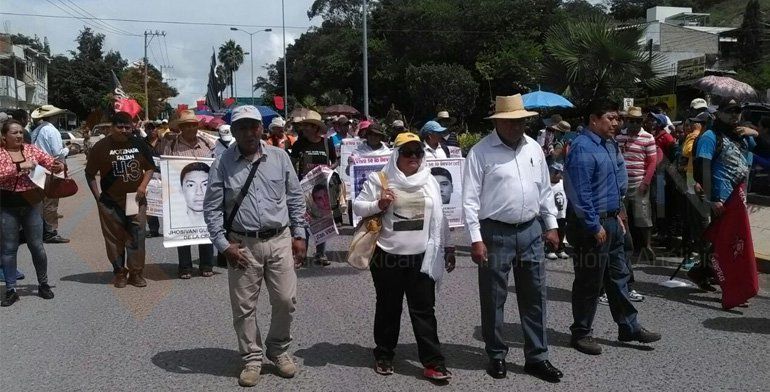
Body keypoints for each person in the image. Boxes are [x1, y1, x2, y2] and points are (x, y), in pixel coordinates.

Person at [203, 105, 307, 387]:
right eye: (242, 128)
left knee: (286, 299)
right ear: (233, 131)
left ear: (262, 128)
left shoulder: (280, 157)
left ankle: (279, 349)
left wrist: (300, 235)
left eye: (253, 126)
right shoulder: (222, 163)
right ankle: (251, 358)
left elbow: (295, 197)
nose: (248, 132)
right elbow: (212, 209)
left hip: (279, 239)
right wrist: (224, 245)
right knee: (244, 307)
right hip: (242, 244)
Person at [462, 94, 563, 383]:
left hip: (531, 229)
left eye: (522, 121)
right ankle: (496, 354)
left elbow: (544, 190)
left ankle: (537, 356)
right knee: (494, 297)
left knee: (535, 295)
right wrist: (475, 238)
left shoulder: (533, 147)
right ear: (498, 122)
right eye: (511, 121)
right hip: (495, 232)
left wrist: (551, 224)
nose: (518, 126)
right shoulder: (480, 152)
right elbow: (469, 200)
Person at [354, 132, 455, 382]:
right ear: (396, 154)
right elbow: (357, 207)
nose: (413, 157)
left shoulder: (429, 181)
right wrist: (379, 204)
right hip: (387, 256)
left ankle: (433, 362)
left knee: (424, 311)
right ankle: (385, 355)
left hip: (422, 256)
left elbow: (440, 219)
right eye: (407, 152)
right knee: (388, 307)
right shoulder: (380, 179)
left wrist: (448, 247)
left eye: (418, 152)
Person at [563, 99, 661, 357]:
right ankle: (581, 332)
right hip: (591, 224)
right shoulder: (582, 148)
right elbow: (578, 192)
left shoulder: (609, 144)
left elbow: (617, 182)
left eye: (618, 118)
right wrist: (594, 225)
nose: (616, 122)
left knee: (619, 276)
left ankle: (629, 326)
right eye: (611, 118)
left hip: (613, 220)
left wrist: (619, 213)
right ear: (594, 119)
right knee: (589, 282)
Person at [691, 98, 756, 291]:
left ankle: (704, 271)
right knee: (725, 241)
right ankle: (726, 281)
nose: (734, 115)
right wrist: (713, 198)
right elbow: (702, 169)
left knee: (729, 240)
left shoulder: (741, 135)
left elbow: (757, 146)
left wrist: (753, 131)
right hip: (720, 198)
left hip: (739, 197)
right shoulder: (710, 137)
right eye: (729, 111)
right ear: (718, 113)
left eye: (737, 111)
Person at [85, 111, 155, 288]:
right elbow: (90, 174)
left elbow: (150, 168)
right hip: (110, 201)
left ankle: (136, 273)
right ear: (111, 127)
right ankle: (119, 273)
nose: (124, 130)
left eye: (127, 127)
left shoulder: (139, 143)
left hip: (134, 199)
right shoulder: (100, 147)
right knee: (114, 239)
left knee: (136, 236)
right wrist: (98, 197)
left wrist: (142, 186)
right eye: (120, 127)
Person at [0, 119, 66, 306]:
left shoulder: (31, 149)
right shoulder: (1, 153)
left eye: (21, 132)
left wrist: (57, 165)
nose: (19, 135)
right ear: (4, 136)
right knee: (9, 249)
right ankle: (11, 289)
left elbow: (49, 161)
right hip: (7, 205)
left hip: (32, 203)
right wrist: (21, 166)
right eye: (14, 133)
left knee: (37, 246)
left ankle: (43, 284)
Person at [163, 109, 216, 279]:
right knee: (182, 229)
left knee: (206, 229)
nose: (190, 129)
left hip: (207, 194)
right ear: (180, 128)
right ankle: (185, 267)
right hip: (181, 195)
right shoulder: (171, 146)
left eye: (193, 125)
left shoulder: (207, 144)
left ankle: (206, 264)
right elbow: (166, 170)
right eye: (186, 126)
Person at [289, 110, 338, 266]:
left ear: (316, 128)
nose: (304, 128)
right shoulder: (299, 144)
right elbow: (291, 163)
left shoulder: (326, 143)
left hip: (322, 187)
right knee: (304, 220)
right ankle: (301, 253)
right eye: (304, 125)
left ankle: (320, 253)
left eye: (308, 125)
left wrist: (328, 170)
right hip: (304, 187)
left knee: (322, 218)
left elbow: (335, 161)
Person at [615, 106, 657, 264]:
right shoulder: (619, 137)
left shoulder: (648, 137)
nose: (634, 124)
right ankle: (627, 246)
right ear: (627, 121)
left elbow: (652, 162)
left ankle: (647, 246)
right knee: (623, 217)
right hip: (621, 184)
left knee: (643, 216)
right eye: (631, 121)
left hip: (639, 181)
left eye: (638, 121)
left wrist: (646, 182)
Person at [29, 105, 70, 244]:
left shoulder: (37, 130)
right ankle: (51, 232)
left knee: (40, 201)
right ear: (53, 116)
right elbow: (57, 152)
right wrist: (67, 150)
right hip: (51, 168)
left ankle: (40, 230)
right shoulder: (51, 130)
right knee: (51, 202)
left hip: (37, 169)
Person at [545, 162, 569, 260]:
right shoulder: (547, 185)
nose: (557, 175)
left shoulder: (562, 184)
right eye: (555, 173)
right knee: (552, 231)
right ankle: (550, 250)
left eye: (559, 173)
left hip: (562, 213)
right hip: (552, 214)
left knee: (562, 231)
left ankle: (560, 249)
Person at [143, 122, 162, 238]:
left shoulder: (165, 142)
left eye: (153, 128)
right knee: (150, 203)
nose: (151, 130)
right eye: (148, 128)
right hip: (148, 177)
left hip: (164, 176)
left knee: (166, 203)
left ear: (157, 129)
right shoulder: (142, 143)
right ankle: (153, 229)